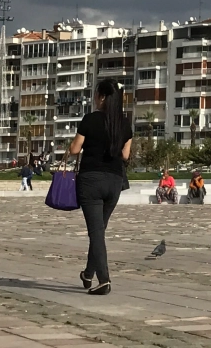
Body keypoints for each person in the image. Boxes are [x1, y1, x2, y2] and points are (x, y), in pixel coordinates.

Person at [67, 77, 132, 296]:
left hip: (91, 181)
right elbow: (125, 155)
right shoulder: (124, 124)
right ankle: (88, 273)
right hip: (114, 181)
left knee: (96, 233)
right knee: (99, 231)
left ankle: (104, 280)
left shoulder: (90, 119)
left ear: (102, 97)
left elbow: (75, 150)